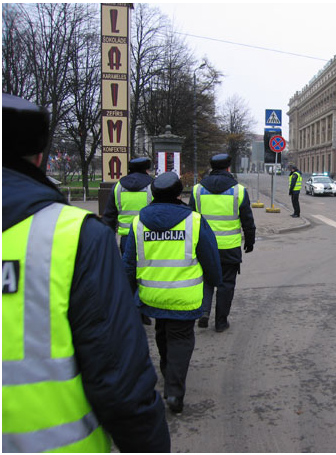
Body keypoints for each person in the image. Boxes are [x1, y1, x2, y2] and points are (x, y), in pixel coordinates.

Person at [2, 93, 170, 452]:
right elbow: (117, 374)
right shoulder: (70, 236)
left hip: (127, 239)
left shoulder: (121, 187)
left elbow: (111, 215)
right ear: (39, 157)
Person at [123, 171, 222, 414]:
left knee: (162, 332)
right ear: (179, 194)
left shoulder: (138, 223)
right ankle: (175, 391)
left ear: (153, 194)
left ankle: (168, 372)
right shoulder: (195, 221)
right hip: (184, 297)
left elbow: (129, 264)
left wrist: (128, 293)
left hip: (151, 295)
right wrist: (215, 280)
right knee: (180, 339)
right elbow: (210, 258)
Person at [189, 153, 256, 332]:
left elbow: (189, 218)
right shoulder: (239, 190)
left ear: (212, 168)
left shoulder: (197, 190)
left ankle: (204, 312)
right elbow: (247, 220)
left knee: (205, 280)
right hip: (229, 247)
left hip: (203, 246)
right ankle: (220, 322)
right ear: (228, 168)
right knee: (226, 284)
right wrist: (250, 241)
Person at [102, 156, 153, 254]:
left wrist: (108, 243)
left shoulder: (118, 187)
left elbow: (109, 217)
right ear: (146, 169)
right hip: (148, 236)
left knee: (128, 267)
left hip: (126, 238)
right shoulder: (153, 185)